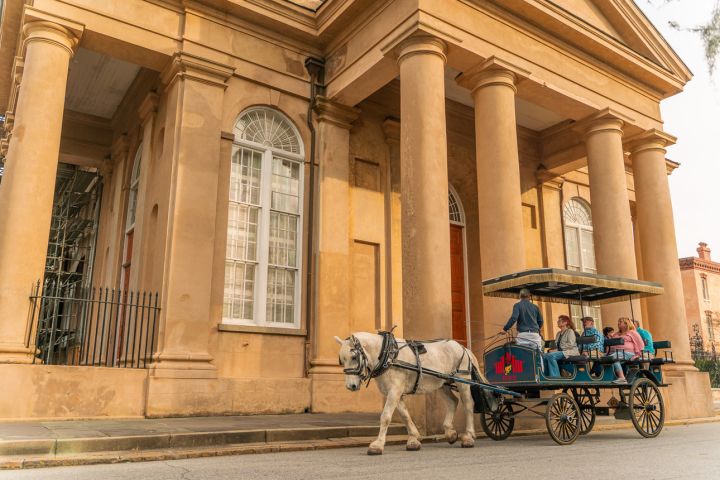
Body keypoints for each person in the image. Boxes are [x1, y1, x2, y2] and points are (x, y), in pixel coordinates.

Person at [607, 317, 645, 384]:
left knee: (613, 357)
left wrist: (639, 354)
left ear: (626, 323)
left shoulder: (632, 332)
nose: (618, 323)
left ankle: (622, 378)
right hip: (617, 353)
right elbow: (611, 343)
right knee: (606, 358)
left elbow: (640, 343)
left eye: (620, 322)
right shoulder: (616, 334)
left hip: (629, 353)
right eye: (618, 322)